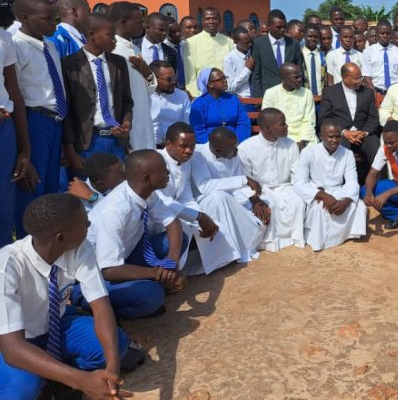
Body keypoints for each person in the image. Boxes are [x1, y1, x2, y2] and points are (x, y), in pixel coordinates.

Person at [0, 194, 130, 400]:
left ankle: (56, 376)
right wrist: (83, 382)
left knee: (115, 345)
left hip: (54, 328)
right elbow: (12, 349)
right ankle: (50, 378)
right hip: (13, 342)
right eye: (83, 222)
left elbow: (101, 307)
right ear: (60, 237)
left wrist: (111, 371)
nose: (89, 222)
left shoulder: (80, 247)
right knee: (22, 389)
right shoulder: (7, 266)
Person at [85, 150, 187, 320]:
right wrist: (158, 274)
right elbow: (109, 270)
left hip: (126, 257)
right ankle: (95, 311)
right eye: (163, 170)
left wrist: (171, 264)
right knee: (152, 296)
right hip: (97, 276)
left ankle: (155, 282)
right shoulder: (114, 211)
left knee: (178, 239)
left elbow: (172, 221)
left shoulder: (144, 192)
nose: (168, 173)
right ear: (147, 178)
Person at [158, 123, 265, 274]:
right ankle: (170, 271)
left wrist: (200, 218)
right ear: (168, 144)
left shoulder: (185, 163)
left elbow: (186, 197)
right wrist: (199, 217)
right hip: (157, 216)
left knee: (201, 225)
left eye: (192, 146)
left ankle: (220, 258)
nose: (189, 151)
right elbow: (161, 201)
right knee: (213, 202)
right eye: (183, 146)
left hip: (181, 209)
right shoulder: (156, 161)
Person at [12, 0, 69, 239]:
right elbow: (16, 95)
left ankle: (47, 245)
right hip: (33, 121)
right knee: (31, 189)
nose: (54, 24)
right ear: (24, 17)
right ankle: (28, 245)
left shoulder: (51, 45)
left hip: (55, 122)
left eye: (55, 18)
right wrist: (24, 148)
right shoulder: (15, 47)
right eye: (47, 19)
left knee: (49, 189)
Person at [61, 13, 133, 171]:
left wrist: (126, 123)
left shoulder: (118, 63)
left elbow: (127, 100)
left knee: (116, 188)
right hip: (87, 142)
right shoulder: (69, 65)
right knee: (88, 189)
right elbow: (68, 110)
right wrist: (71, 151)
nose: (114, 39)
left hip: (116, 139)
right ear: (92, 34)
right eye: (110, 34)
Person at [238, 109, 307, 251]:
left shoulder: (290, 144)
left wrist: (302, 190)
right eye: (282, 124)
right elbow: (245, 179)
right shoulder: (246, 148)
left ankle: (296, 238)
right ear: (267, 128)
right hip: (261, 189)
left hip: (285, 186)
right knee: (271, 205)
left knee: (297, 202)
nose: (286, 127)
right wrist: (254, 198)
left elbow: (297, 174)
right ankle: (270, 242)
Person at [292, 120, 367, 251]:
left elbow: (352, 181)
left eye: (338, 136)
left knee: (359, 206)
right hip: (316, 191)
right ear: (321, 136)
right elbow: (299, 182)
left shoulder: (347, 153)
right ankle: (321, 240)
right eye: (330, 136)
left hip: (339, 190)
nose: (335, 140)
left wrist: (347, 200)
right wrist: (322, 195)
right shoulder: (309, 152)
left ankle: (345, 235)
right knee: (321, 209)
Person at [0, 21, 36, 246]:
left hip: (5, 131)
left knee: (4, 209)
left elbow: (14, 92)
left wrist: (25, 148)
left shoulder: (4, 38)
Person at [110, 1, 156, 151]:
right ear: (123, 22)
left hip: (142, 116)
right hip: (127, 121)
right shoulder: (113, 50)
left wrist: (146, 71)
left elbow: (151, 88)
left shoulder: (135, 48)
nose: (142, 26)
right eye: (138, 22)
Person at [319, 63, 380, 165]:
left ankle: (379, 180)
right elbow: (325, 119)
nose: (360, 81)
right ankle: (341, 180)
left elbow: (373, 118)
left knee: (376, 148)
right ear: (345, 77)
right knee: (338, 146)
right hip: (341, 134)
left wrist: (363, 133)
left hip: (363, 134)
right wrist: (344, 132)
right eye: (356, 78)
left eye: (361, 78)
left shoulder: (368, 93)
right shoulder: (330, 92)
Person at [189, 68, 251, 144]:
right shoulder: (199, 104)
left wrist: (236, 141)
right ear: (210, 84)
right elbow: (198, 130)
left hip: (235, 144)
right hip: (210, 146)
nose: (225, 81)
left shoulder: (233, 99)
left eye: (225, 77)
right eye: (220, 79)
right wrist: (212, 145)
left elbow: (244, 123)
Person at [251, 9, 304, 97]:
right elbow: (256, 75)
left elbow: (299, 71)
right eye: (279, 27)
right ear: (269, 26)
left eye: (284, 26)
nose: (283, 30)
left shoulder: (293, 44)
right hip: (267, 95)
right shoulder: (258, 44)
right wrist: (258, 101)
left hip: (291, 95)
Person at [261, 63, 316, 147]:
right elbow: (268, 121)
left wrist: (303, 141)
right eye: (296, 77)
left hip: (303, 136)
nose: (300, 80)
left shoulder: (307, 93)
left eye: (300, 76)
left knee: (312, 149)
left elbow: (309, 121)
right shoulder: (271, 93)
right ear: (284, 78)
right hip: (279, 135)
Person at [183, 7, 233, 96]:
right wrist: (194, 95)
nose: (211, 22)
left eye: (214, 18)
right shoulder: (191, 43)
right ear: (202, 21)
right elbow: (189, 74)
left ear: (220, 21)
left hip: (226, 92)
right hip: (202, 93)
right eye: (207, 19)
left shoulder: (229, 41)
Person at [149, 61, 191, 148]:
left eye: (174, 78)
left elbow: (187, 125)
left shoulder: (182, 96)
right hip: (148, 146)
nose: (173, 82)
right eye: (169, 79)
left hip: (174, 147)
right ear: (155, 79)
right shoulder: (144, 96)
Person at [361, 21, 398, 95]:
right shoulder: (368, 52)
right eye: (382, 33)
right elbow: (367, 78)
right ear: (377, 34)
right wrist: (375, 95)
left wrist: (397, 94)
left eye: (388, 33)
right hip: (375, 92)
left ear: (391, 34)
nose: (385, 35)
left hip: (395, 93)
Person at [223, 26, 254, 99]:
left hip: (258, 97)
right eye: (246, 43)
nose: (250, 44)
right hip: (243, 99)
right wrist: (247, 70)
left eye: (250, 41)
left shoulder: (253, 52)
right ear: (235, 41)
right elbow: (230, 88)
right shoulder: (229, 59)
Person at [301, 25, 326, 96]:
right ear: (304, 36)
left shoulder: (323, 55)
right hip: (303, 96)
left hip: (321, 97)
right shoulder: (299, 54)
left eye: (316, 37)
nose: (313, 39)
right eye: (310, 36)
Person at [165, 17, 186, 89]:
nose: (178, 34)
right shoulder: (164, 49)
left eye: (179, 30)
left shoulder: (186, 45)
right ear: (166, 33)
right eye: (173, 32)